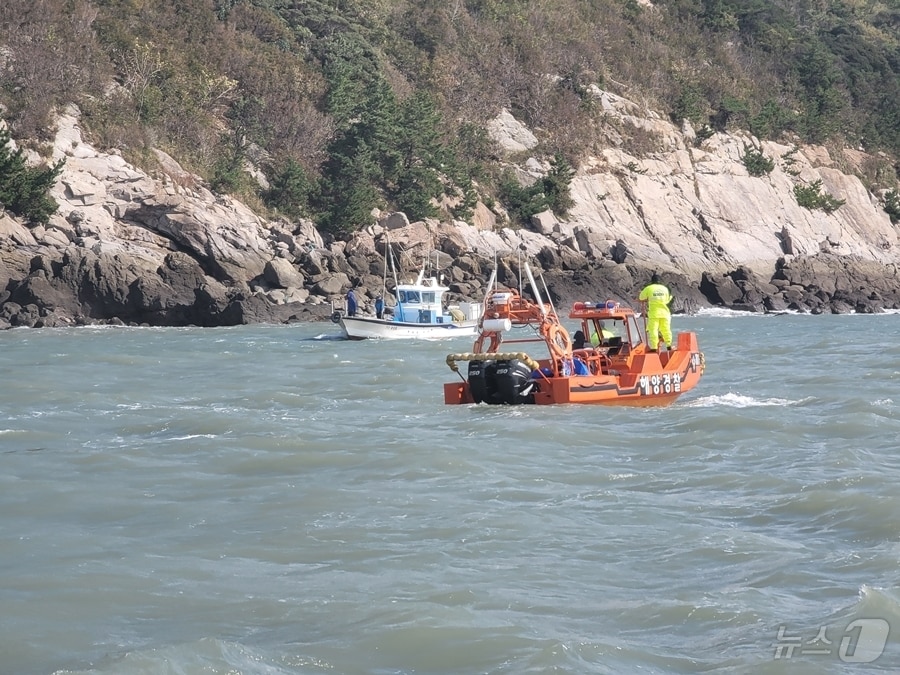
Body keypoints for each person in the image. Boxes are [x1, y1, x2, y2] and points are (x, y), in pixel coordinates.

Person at [638, 273, 673, 351]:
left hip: (654, 313)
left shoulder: (649, 288)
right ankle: (669, 345)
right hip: (665, 313)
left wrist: (648, 298)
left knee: (653, 329)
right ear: (659, 281)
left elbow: (641, 297)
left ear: (652, 281)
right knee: (666, 329)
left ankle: (654, 348)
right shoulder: (664, 289)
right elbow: (667, 300)